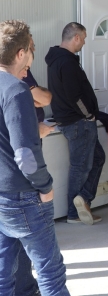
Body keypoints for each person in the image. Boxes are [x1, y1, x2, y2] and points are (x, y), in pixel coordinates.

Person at [0, 19, 69, 295]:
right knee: (50, 273)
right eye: (32, 51)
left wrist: (32, 129)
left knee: (5, 275)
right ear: (21, 53)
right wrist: (46, 186)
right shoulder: (16, 90)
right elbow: (25, 156)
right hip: (25, 196)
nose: (31, 60)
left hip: (2, 196)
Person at [45, 22, 105, 225]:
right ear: (76, 37)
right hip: (78, 122)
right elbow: (74, 95)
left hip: (69, 120)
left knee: (97, 159)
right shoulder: (67, 62)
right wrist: (88, 115)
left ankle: (83, 199)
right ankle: (74, 211)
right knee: (81, 166)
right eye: (84, 38)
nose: (85, 42)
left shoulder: (55, 59)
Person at [16, 39, 56, 296]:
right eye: (29, 45)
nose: (34, 46)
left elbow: (45, 99)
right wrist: (44, 186)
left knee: (11, 253)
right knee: (50, 267)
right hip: (18, 186)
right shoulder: (13, 87)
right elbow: (22, 151)